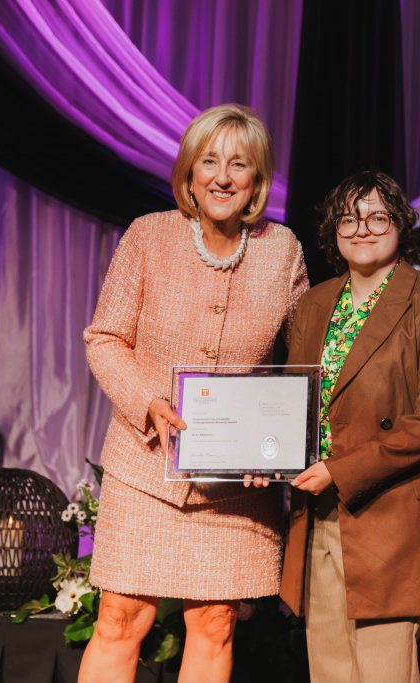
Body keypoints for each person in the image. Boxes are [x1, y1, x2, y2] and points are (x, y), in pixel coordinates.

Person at [79, 103, 308, 683]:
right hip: (145, 467)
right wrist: (146, 402)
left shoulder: (283, 250)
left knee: (215, 622)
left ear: (257, 179)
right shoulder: (149, 236)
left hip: (236, 487)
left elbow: (302, 363)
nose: (223, 177)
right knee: (120, 619)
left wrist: (277, 453)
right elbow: (104, 339)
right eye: (209, 161)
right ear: (189, 172)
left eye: (239, 164)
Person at [279, 170, 420, 683]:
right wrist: (267, 457)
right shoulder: (313, 303)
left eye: (376, 216)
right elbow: (291, 404)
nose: (362, 228)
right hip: (318, 512)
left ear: (400, 225)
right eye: (349, 217)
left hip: (393, 516)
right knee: (330, 669)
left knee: (384, 672)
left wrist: (339, 471)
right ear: (332, 229)